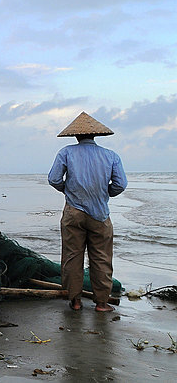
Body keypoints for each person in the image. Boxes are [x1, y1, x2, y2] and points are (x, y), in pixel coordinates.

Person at [48, 112, 127, 312]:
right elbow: (120, 184)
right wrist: (104, 193)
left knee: (72, 256)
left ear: (76, 136)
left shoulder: (66, 152)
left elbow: (54, 179)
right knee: (101, 257)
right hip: (100, 214)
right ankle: (101, 303)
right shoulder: (111, 156)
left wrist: (68, 189)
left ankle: (75, 301)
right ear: (95, 136)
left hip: (73, 212)